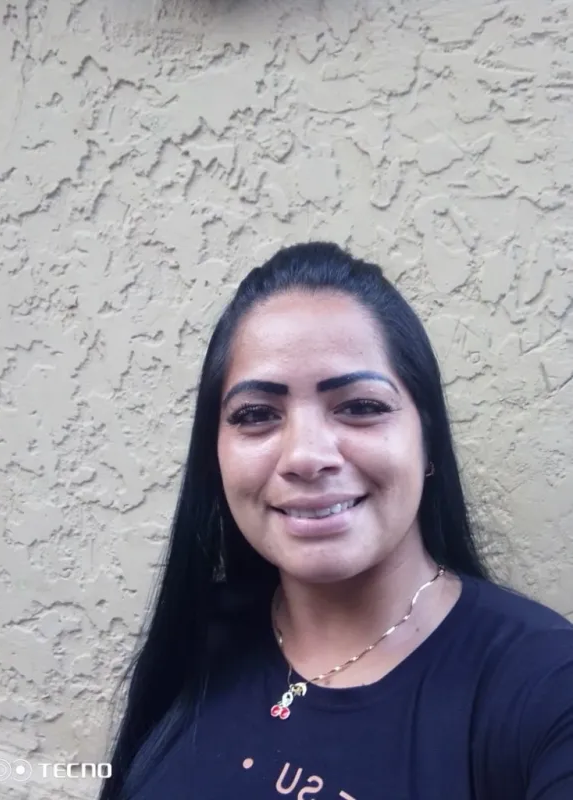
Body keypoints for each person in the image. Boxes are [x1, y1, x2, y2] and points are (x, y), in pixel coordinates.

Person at [98, 242, 573, 800]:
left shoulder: (544, 690)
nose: (306, 456)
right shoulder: (201, 636)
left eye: (360, 406)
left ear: (427, 440)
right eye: (256, 415)